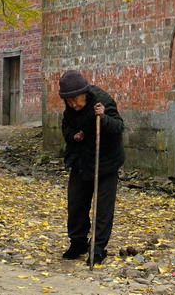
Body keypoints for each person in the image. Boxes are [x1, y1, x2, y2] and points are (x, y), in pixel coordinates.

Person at [59, 70, 125, 265]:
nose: (74, 105)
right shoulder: (69, 109)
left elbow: (118, 127)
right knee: (76, 204)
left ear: (85, 93)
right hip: (81, 160)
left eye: (77, 100)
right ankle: (77, 243)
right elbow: (66, 127)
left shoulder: (102, 100)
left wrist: (103, 118)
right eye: (69, 101)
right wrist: (73, 136)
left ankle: (97, 248)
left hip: (106, 161)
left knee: (103, 208)